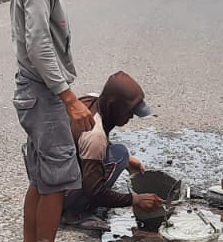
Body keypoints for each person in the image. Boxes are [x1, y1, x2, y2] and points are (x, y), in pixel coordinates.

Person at [11, 0, 101, 242]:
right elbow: (38, 43)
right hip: (44, 94)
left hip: (38, 92)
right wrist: (68, 97)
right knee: (57, 179)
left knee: (42, 179)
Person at [63, 71, 164, 220]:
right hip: (61, 193)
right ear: (115, 107)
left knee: (123, 155)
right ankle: (75, 213)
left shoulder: (91, 100)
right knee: (119, 155)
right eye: (128, 112)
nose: (130, 117)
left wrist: (129, 159)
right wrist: (135, 200)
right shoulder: (95, 136)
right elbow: (94, 191)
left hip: (52, 176)